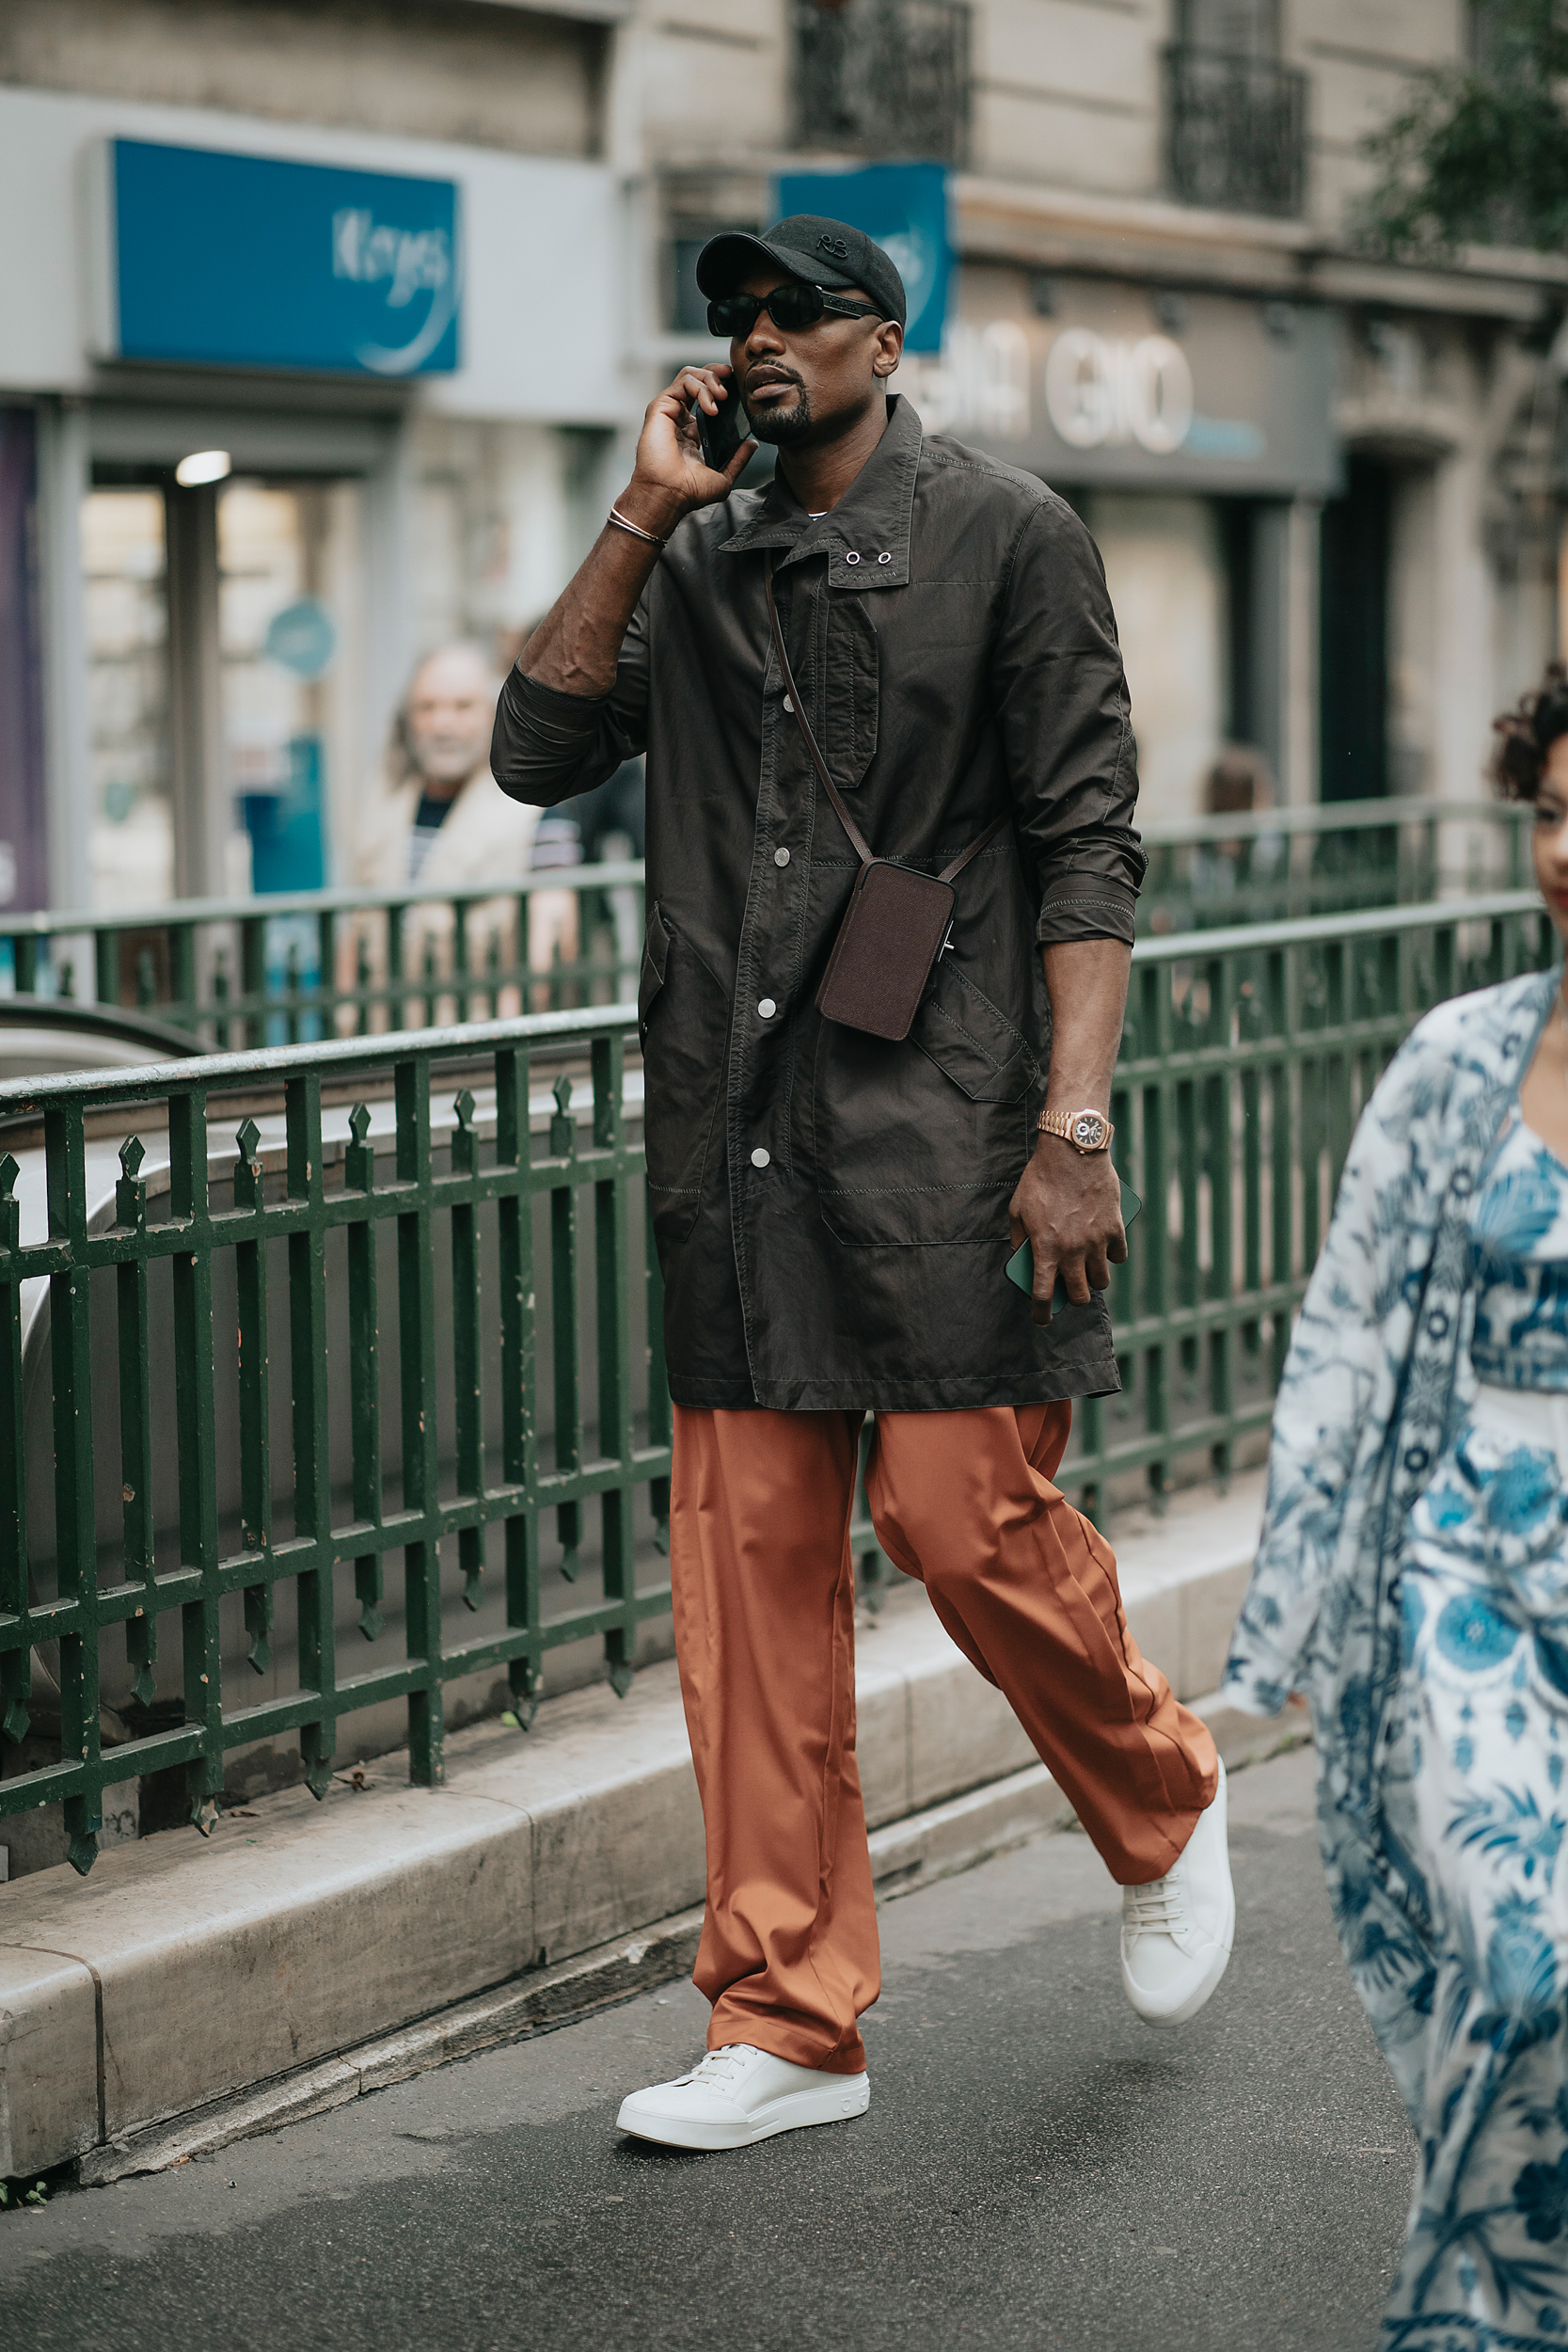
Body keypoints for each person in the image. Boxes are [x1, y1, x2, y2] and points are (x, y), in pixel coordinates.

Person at [493, 214, 1234, 2154]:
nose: (752, 339)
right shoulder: (703, 552)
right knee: (744, 1595)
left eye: (791, 312)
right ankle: (788, 2016)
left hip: (937, 1126)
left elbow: (1087, 843)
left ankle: (1160, 1792)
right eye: (727, 314)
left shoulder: (1008, 532)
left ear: (879, 343)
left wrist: (1070, 1126)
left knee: (960, 1513)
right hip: (727, 1141)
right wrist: (646, 513)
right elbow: (531, 747)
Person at [1224, 664, 1568, 2343]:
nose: (1567, 848)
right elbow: (1347, 1327)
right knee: (1520, 1959)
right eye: (1552, 812)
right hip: (1472, 1562)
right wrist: (1287, 1598)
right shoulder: (1457, 1059)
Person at [343, 641, 578, 1022]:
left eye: (462, 706)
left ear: (494, 713)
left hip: (474, 1050)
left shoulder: (536, 811)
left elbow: (549, 946)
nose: (443, 724)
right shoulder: (383, 807)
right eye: (427, 707)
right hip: (380, 1044)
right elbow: (354, 932)